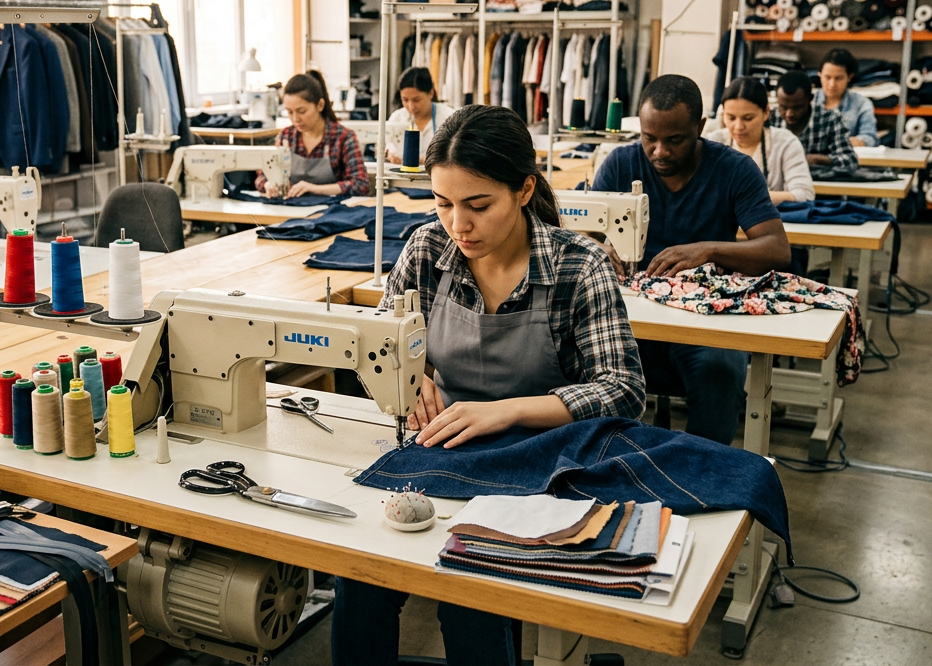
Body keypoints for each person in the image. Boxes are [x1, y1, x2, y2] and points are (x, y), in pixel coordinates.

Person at [333, 104, 646, 666]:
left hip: (543, 461)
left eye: (478, 205)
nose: (458, 224)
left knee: (471, 596)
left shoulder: (579, 266)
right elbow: (375, 346)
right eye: (443, 203)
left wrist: (507, 411)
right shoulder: (427, 250)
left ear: (524, 190)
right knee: (360, 573)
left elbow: (623, 388)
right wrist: (411, 377)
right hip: (440, 445)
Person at [592, 74, 790, 445]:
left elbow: (777, 249)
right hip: (633, 313)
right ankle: (607, 462)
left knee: (720, 371)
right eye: (649, 138)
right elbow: (581, 232)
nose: (659, 152)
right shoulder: (620, 163)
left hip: (704, 318)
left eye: (674, 140)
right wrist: (596, 248)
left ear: (700, 127)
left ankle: (699, 467)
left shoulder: (734, 170)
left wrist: (708, 249)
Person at [256, 70, 368, 197]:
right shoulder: (286, 137)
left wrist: (314, 188)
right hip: (292, 205)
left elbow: (360, 185)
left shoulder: (343, 138)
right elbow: (262, 176)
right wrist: (268, 184)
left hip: (333, 207)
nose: (295, 119)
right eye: (290, 112)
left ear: (320, 105)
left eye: (302, 111)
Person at [707, 77, 816, 204]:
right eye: (731, 118)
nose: (738, 127)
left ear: (766, 112)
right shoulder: (713, 143)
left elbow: (805, 195)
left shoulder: (786, 143)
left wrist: (740, 197)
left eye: (748, 118)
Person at [768, 71, 858, 170]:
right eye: (783, 107)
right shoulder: (770, 119)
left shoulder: (830, 119)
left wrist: (818, 160)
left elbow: (850, 161)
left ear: (810, 99)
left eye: (797, 108)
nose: (789, 114)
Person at [385, 66, 457, 163]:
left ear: (431, 93)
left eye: (416, 100)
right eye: (405, 100)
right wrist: (389, 154)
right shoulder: (397, 118)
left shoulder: (449, 117)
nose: (411, 107)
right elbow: (386, 146)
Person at [815, 48, 878, 146]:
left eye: (838, 78)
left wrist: (843, 142)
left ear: (849, 77)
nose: (832, 84)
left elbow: (870, 138)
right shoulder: (807, 100)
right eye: (827, 77)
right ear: (820, 75)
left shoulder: (862, 104)